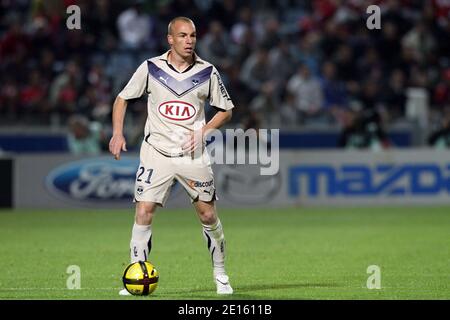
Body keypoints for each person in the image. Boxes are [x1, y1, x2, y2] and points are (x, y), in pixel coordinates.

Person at [109, 17, 234, 295]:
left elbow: (226, 110)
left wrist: (204, 130)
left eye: (192, 35)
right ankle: (137, 275)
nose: (189, 40)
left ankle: (220, 273)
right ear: (170, 39)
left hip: (193, 154)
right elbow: (122, 98)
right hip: (156, 152)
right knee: (143, 210)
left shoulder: (207, 71)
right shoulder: (151, 68)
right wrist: (117, 133)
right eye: (183, 35)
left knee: (207, 214)